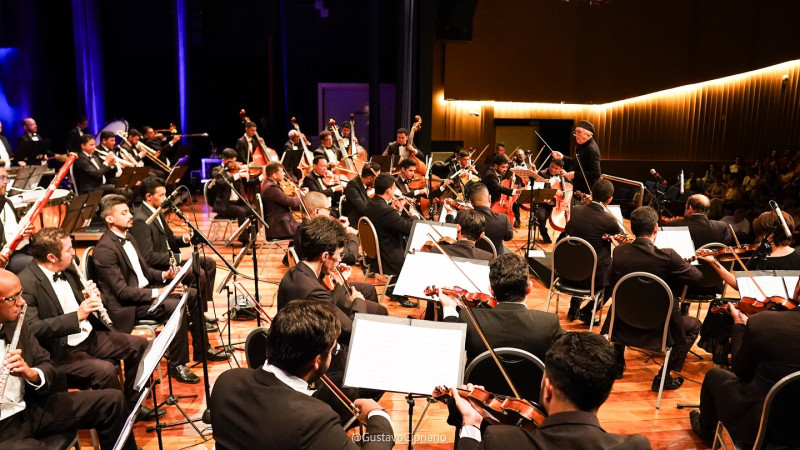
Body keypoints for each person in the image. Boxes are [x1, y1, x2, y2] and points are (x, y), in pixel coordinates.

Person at [209, 299, 394, 450]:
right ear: (316, 361)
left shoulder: (227, 381)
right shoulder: (314, 420)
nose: (333, 354)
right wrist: (378, 415)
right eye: (332, 351)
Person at [18, 228, 158, 421]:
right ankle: (118, 419)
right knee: (105, 371)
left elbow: (79, 303)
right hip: (61, 351)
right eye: (68, 249)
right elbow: (33, 329)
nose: (73, 252)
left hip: (88, 336)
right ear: (51, 257)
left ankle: (132, 407)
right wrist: (77, 316)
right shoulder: (26, 283)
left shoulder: (67, 268)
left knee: (139, 345)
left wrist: (92, 297)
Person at [92, 195, 225, 385]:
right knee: (176, 305)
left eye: (129, 211)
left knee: (192, 294)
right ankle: (177, 364)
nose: (131, 216)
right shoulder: (105, 250)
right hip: (127, 306)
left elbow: (143, 272)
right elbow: (122, 292)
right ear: (109, 219)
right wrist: (160, 292)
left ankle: (202, 350)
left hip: (143, 293)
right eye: (124, 213)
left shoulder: (128, 236)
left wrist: (166, 276)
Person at [0, 269, 137, 450]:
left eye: (21, 294)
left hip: (30, 408)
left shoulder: (16, 324)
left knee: (113, 400)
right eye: (13, 298)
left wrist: (31, 373)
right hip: (3, 426)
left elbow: (46, 363)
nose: (22, 302)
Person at [454, 332, 651, 450]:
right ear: (605, 393)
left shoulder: (500, 440)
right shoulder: (636, 446)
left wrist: (471, 423)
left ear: (548, 389)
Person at [602, 206, 702, 390]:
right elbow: (697, 277)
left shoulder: (619, 252)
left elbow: (613, 282)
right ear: (656, 228)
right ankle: (662, 377)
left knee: (624, 302)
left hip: (624, 320)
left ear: (632, 228)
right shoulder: (669, 256)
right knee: (695, 325)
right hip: (659, 326)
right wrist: (680, 264)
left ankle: (617, 364)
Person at [691, 302, 800, 448]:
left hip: (764, 427)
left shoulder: (764, 322)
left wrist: (739, 326)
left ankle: (706, 432)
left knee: (714, 375)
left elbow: (741, 371)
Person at [131, 177, 219, 331]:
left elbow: (167, 238)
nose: (165, 199)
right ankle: (196, 320)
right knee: (200, 273)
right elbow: (148, 257)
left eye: (165, 194)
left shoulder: (156, 211)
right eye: (161, 195)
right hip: (160, 267)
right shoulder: (141, 220)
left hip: (169, 258)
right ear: (148, 197)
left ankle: (200, 312)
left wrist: (184, 239)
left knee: (209, 262)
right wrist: (180, 257)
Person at [440, 254, 562, 364]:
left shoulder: (470, 319)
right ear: (529, 288)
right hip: (530, 388)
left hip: (481, 386)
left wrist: (449, 308)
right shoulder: (549, 324)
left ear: (491, 290)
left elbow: (450, 342)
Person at [293, 191, 384, 308]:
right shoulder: (317, 236)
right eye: (328, 209)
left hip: (325, 280)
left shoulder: (303, 230)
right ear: (317, 211)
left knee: (369, 289)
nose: (330, 212)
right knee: (379, 308)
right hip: (325, 289)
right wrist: (351, 235)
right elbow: (350, 257)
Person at [562, 179, 624, 325]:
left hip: (569, 272)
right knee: (616, 277)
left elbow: (568, 231)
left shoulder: (577, 210)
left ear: (591, 193)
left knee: (584, 259)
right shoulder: (608, 219)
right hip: (591, 280)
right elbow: (620, 234)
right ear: (609, 200)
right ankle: (587, 311)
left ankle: (574, 306)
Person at [364, 174, 416, 307]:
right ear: (388, 191)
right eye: (394, 188)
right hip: (387, 256)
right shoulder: (385, 210)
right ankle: (398, 291)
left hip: (374, 254)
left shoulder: (370, 204)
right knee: (417, 259)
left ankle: (394, 290)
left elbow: (388, 222)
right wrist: (414, 214)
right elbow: (407, 228)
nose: (394, 190)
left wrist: (397, 212)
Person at [447, 183, 514, 256]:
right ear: (489, 198)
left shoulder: (462, 215)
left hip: (469, 258)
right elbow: (508, 238)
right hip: (494, 261)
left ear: (471, 203)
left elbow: (451, 231)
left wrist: (449, 213)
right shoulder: (503, 219)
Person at [211, 148, 251, 249]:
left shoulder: (236, 170)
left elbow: (249, 183)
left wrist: (261, 176)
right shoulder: (216, 171)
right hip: (224, 205)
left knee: (255, 211)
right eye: (231, 161)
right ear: (224, 160)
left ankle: (246, 233)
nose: (234, 164)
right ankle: (245, 241)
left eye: (235, 160)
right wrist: (238, 175)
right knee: (241, 212)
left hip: (237, 202)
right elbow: (223, 183)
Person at [551, 120, 601, 198]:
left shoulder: (591, 149)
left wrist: (574, 175)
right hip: (578, 188)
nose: (576, 135)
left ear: (588, 135)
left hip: (587, 190)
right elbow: (577, 162)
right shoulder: (581, 145)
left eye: (579, 132)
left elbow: (596, 174)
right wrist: (563, 157)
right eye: (576, 132)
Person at [0, 163, 35, 273]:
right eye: (1, 178)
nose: (6, 182)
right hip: (7, 259)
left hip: (22, 250)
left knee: (63, 257)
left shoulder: (7, 202)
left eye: (7, 178)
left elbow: (17, 230)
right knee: (41, 266)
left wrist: (26, 234)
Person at [662, 194, 732, 247]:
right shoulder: (721, 227)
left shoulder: (673, 225)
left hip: (683, 265)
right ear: (707, 211)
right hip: (712, 265)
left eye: (685, 208)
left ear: (690, 209)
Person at [261, 161, 303, 240]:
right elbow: (292, 203)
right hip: (279, 227)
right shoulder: (271, 188)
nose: (284, 173)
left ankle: (292, 251)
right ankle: (295, 251)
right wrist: (303, 195)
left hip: (281, 223)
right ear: (274, 175)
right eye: (281, 171)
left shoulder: (269, 184)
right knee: (308, 230)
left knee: (306, 227)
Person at [532, 159, 566, 244]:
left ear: (561, 169)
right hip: (544, 203)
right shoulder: (542, 174)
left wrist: (566, 177)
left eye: (556, 168)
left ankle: (561, 238)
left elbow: (568, 188)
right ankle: (544, 234)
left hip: (559, 204)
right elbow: (540, 190)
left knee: (569, 219)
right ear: (549, 164)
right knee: (541, 217)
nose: (553, 169)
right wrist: (553, 191)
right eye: (552, 166)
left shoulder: (564, 176)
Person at [483, 154, 520, 227]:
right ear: (496, 166)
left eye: (506, 167)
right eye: (503, 167)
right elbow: (499, 188)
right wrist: (516, 191)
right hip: (486, 202)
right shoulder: (490, 175)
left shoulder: (496, 172)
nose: (505, 169)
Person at [343, 162, 380, 227]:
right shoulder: (352, 185)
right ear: (369, 178)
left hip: (367, 218)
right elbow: (363, 207)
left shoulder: (368, 185)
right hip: (357, 221)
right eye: (377, 178)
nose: (378, 180)